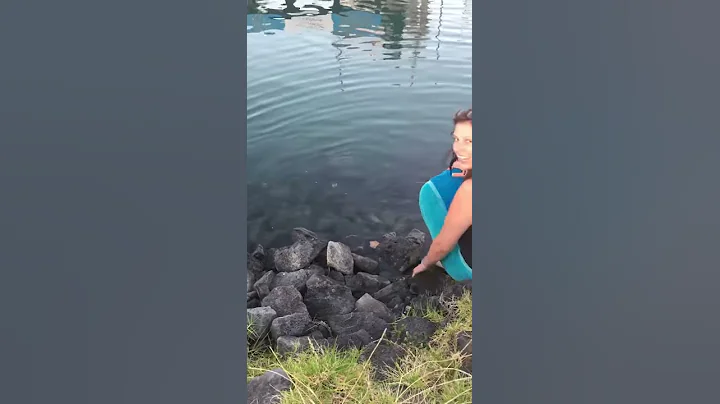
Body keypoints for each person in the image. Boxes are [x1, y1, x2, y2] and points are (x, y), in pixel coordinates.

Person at [412, 108, 473, 277]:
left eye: (469, 141)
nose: (459, 148)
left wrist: (425, 263)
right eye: (456, 139)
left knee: (430, 193)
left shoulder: (470, 190)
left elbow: (442, 245)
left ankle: (451, 265)